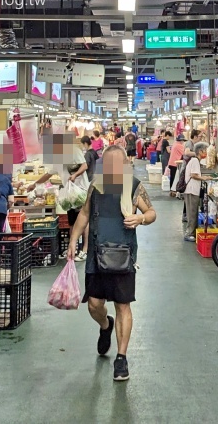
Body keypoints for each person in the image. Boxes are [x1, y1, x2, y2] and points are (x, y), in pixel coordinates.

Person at [67, 146, 157, 382]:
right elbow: (85, 214)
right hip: (97, 256)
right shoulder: (95, 187)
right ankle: (105, 325)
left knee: (123, 306)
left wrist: (140, 218)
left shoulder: (133, 186)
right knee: (94, 305)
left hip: (123, 256)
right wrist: (73, 240)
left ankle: (121, 358)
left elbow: (152, 213)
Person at [183, 143, 210, 241]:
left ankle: (192, 232)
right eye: (205, 151)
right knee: (192, 213)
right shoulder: (194, 160)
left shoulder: (195, 160)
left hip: (193, 190)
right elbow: (194, 175)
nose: (206, 153)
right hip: (191, 190)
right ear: (200, 151)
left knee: (193, 212)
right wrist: (205, 178)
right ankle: (189, 234)